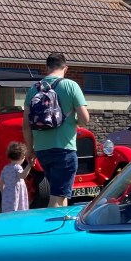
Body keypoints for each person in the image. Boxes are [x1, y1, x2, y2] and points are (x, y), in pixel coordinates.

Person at [22, 52, 90, 207]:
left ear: (47, 67)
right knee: (57, 198)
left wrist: (30, 151)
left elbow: (26, 125)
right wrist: (75, 122)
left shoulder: (34, 89)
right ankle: (50, 223)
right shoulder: (70, 86)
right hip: (64, 149)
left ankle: (61, 222)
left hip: (42, 150)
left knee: (60, 194)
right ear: (66, 68)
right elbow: (85, 119)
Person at [0, 141, 32, 213]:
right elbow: (22, 176)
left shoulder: (5, 168)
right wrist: (29, 165)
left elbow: (1, 182)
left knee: (8, 212)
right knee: (18, 211)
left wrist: (3, 193)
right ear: (22, 157)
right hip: (17, 195)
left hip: (7, 194)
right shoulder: (17, 167)